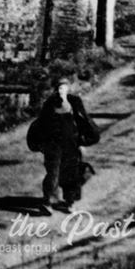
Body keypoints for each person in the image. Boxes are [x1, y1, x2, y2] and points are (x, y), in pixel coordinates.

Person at [32, 77, 99, 212]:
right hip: (53, 144)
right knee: (53, 173)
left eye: (63, 87)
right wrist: (40, 142)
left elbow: (84, 120)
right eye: (58, 88)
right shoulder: (50, 103)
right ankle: (48, 202)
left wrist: (84, 140)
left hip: (71, 144)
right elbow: (41, 124)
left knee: (71, 173)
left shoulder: (75, 102)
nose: (60, 90)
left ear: (68, 89)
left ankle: (69, 202)